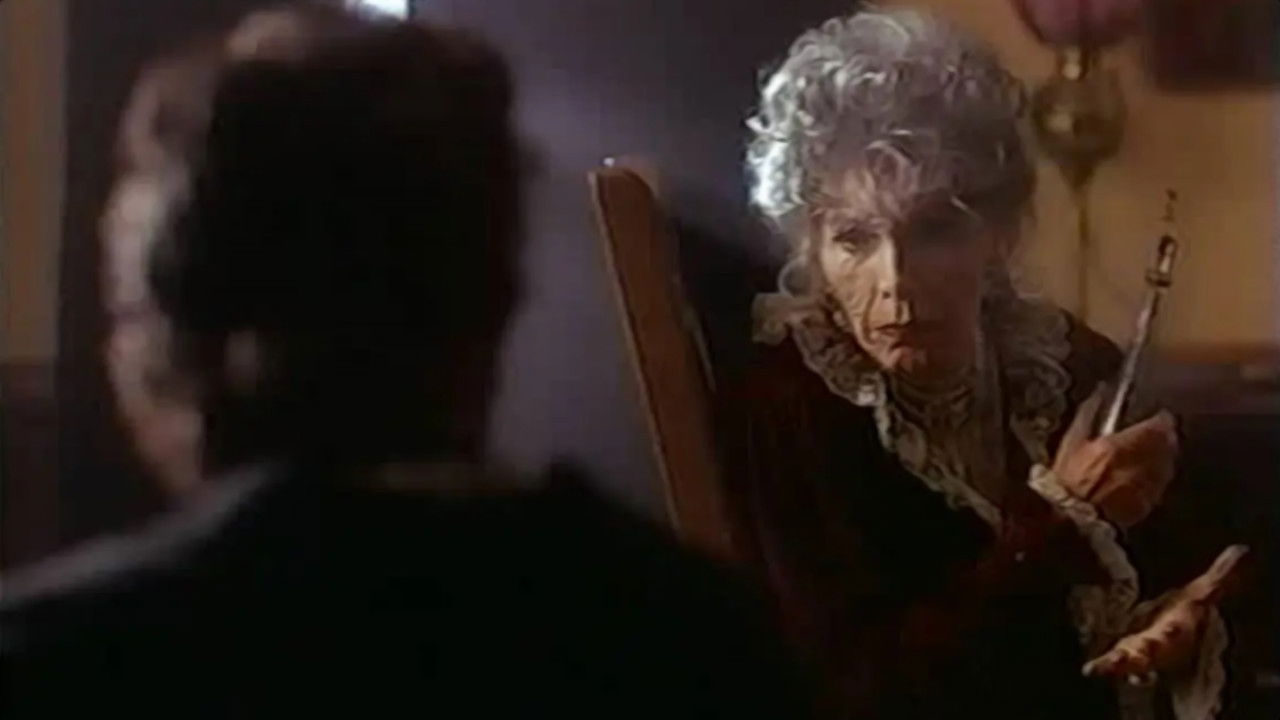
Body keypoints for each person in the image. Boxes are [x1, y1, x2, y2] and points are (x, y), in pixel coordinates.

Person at [0, 6, 805, 717]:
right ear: (494, 297)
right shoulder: (698, 638)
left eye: (126, 315)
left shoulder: (66, 660)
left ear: (177, 329)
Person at [727, 7, 1246, 720]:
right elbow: (860, 693)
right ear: (810, 251)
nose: (896, 280)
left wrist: (1179, 624)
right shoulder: (789, 412)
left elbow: (1191, 566)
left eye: (935, 230)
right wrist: (1062, 524)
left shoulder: (1061, 364)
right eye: (854, 239)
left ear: (998, 233)